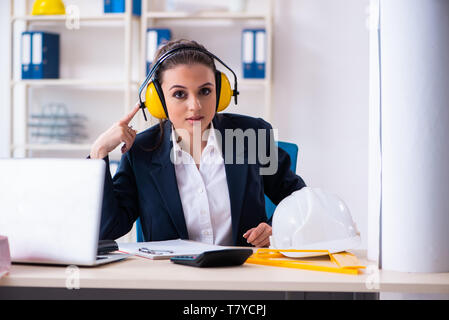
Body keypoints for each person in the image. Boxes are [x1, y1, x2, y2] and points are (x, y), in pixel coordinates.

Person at [90, 39, 306, 247]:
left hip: (244, 275)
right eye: (179, 94)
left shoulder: (251, 135)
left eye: (205, 91)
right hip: (172, 278)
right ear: (158, 100)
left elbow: (299, 199)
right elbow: (106, 229)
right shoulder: (140, 152)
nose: (195, 105)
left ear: (220, 92)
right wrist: (98, 153)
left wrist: (274, 228)